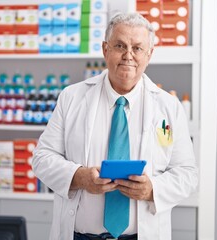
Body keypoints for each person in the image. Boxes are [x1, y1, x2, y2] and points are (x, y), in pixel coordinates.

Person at [32, 12, 198, 240]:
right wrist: (79, 177)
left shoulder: (169, 107)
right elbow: (42, 158)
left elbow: (187, 174)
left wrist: (152, 190)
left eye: (138, 48)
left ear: (149, 54)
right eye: (120, 45)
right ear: (105, 49)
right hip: (80, 235)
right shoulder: (72, 97)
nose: (128, 55)